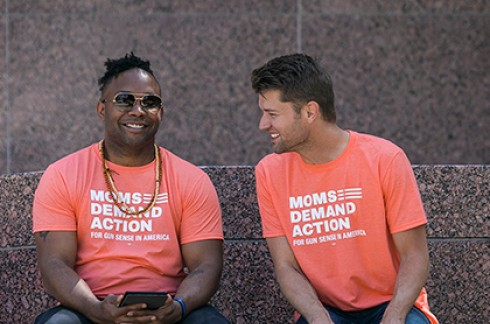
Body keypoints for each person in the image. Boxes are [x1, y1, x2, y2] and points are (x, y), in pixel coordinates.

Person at [33, 53, 229, 324]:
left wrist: (179, 308)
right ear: (102, 109)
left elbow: (206, 265)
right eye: (124, 100)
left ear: (160, 112)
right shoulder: (63, 175)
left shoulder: (190, 179)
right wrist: (95, 309)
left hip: (168, 308)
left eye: (149, 102)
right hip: (90, 308)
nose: (138, 110)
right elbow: (54, 263)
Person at [250, 53, 438, 324]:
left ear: (309, 112)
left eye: (272, 114)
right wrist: (317, 318)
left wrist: (395, 315)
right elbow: (286, 266)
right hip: (326, 311)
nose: (263, 125)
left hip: (393, 304)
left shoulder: (385, 159)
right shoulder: (269, 172)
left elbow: (415, 256)